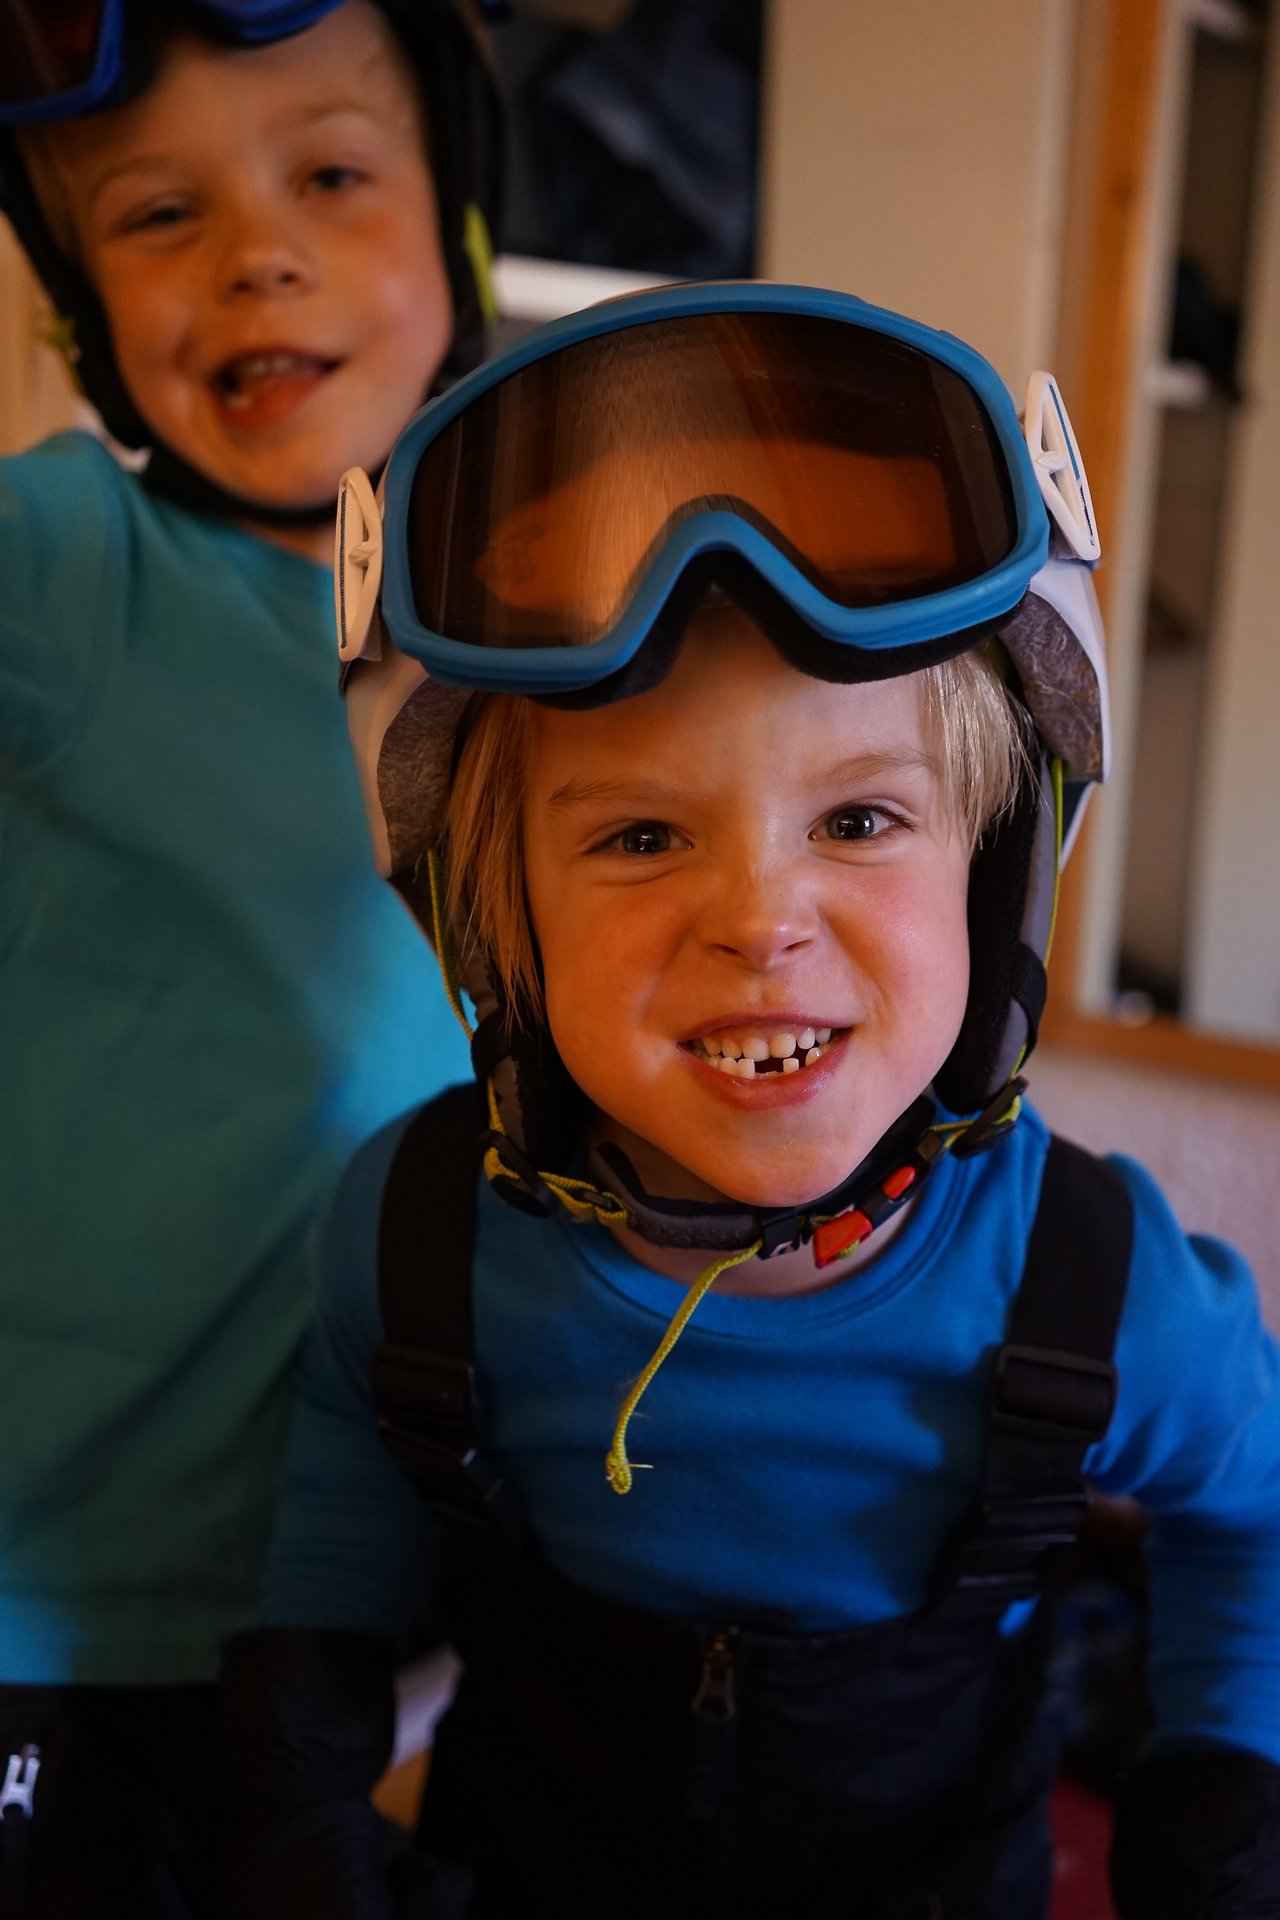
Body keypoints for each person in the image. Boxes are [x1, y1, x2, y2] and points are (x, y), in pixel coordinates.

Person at [221, 285, 1280, 1919]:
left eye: (859, 820)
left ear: (997, 873)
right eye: (640, 838)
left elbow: (1251, 1505)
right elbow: (348, 1475)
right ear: (495, 930)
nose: (759, 920)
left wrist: (1215, 1812)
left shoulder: (1095, 1284)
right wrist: (296, 1785)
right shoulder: (415, 1237)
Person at [0, 4, 499, 1914]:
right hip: (55, 1602)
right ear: (73, 300)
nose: (254, 251)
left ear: (456, 218)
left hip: (340, 1606)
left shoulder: (542, 652)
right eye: (154, 215)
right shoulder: (75, 562)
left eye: (330, 175)